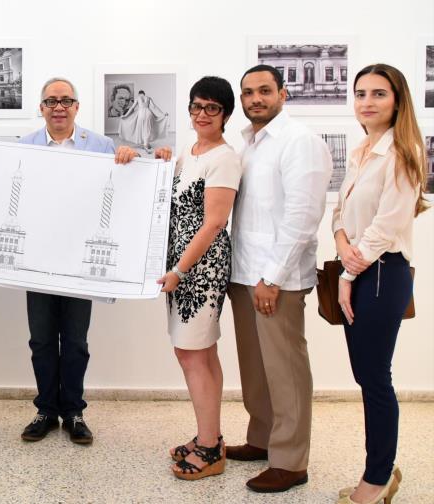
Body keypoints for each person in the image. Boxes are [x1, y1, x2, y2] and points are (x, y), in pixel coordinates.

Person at [0, 77, 136, 445]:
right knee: (41, 340)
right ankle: (45, 409)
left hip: (80, 264)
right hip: (38, 262)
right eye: (51, 101)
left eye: (66, 100)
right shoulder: (22, 148)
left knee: (75, 341)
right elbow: (0, 187)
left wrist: (131, 158)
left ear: (76, 107)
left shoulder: (102, 145)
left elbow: (128, 186)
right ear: (40, 108)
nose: (59, 106)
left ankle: (73, 411)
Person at [227, 65, 332, 493]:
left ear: (283, 94)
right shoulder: (248, 144)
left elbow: (302, 218)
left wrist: (272, 277)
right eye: (248, 92)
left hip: (277, 280)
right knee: (255, 368)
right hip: (244, 273)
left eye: (264, 91)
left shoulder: (299, 141)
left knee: (285, 368)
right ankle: (262, 438)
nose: (256, 99)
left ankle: (290, 461)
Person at [332, 63, 427, 504]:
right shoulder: (360, 153)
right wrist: (340, 242)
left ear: (397, 100)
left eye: (378, 94)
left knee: (374, 378)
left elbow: (388, 224)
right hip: (359, 268)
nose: (367, 102)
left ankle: (378, 478)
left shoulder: (403, 154)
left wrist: (349, 272)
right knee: (365, 375)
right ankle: (380, 470)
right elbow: (340, 212)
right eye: (361, 94)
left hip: (382, 275)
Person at [154, 77, 242, 480]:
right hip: (181, 267)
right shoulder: (189, 152)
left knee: (193, 353)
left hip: (200, 269)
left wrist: (179, 270)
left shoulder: (224, 157)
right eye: (196, 106)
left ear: (225, 114)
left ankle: (209, 448)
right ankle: (211, 435)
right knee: (199, 353)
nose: (202, 114)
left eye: (212, 108)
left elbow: (213, 223)